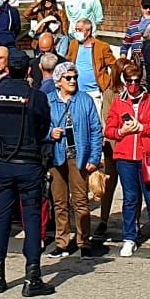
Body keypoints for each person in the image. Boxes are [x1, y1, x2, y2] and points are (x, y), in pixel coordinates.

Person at [0, 48, 54, 296]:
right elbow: (43, 126)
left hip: (4, 163)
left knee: (1, 219)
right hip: (28, 164)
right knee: (32, 218)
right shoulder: (35, 96)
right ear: (28, 69)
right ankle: (32, 277)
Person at [105, 59, 150, 257]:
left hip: (147, 155)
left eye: (136, 81)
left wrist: (142, 128)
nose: (133, 85)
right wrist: (121, 131)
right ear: (124, 82)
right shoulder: (118, 102)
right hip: (125, 157)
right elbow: (109, 129)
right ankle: (129, 237)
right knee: (130, 199)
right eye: (129, 81)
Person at [37, 63, 99, 259]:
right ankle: (62, 242)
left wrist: (94, 157)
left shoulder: (85, 100)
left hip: (78, 157)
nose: (72, 81)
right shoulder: (48, 101)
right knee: (59, 202)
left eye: (75, 77)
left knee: (81, 202)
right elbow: (38, 127)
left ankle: (84, 241)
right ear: (58, 81)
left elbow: (96, 130)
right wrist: (49, 133)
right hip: (56, 156)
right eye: (68, 78)